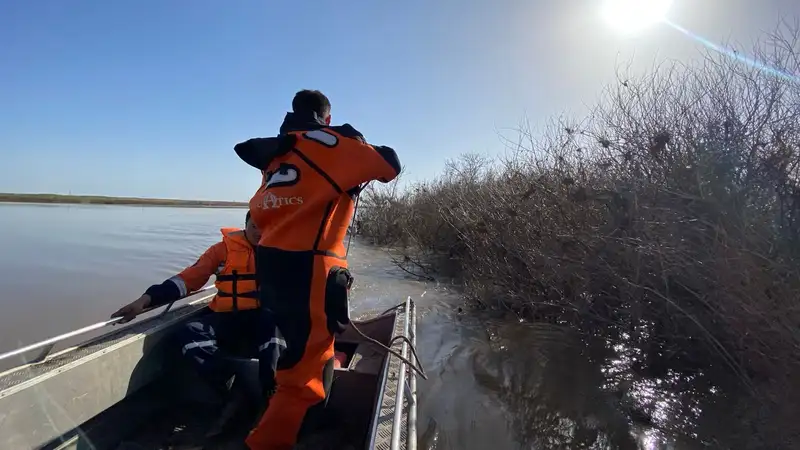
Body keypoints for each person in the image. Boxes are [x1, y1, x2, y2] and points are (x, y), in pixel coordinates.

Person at [233, 89, 401, 449]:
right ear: (326, 118)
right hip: (309, 268)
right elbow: (390, 164)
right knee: (306, 368)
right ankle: (266, 442)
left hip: (270, 263)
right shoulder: (333, 145)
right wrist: (352, 138)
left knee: (297, 349)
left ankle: (301, 418)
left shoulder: (278, 151)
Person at [110, 211, 278, 436]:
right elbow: (187, 279)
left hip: (263, 316)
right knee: (189, 333)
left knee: (276, 332)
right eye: (254, 226)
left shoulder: (282, 251)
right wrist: (145, 300)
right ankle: (231, 379)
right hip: (226, 316)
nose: (259, 232)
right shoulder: (222, 250)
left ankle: (269, 393)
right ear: (245, 225)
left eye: (265, 226)